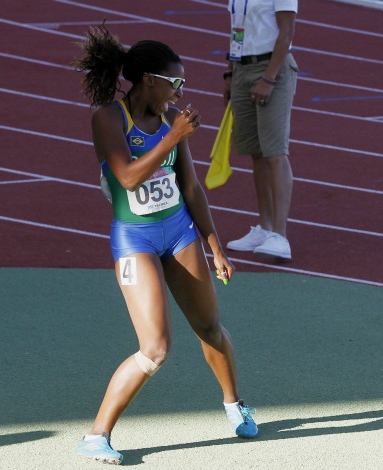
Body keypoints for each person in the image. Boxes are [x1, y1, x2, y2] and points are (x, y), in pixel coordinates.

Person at [73, 24, 258, 465]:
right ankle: (97, 436)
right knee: (155, 348)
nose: (180, 92)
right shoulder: (109, 118)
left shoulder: (174, 120)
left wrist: (215, 247)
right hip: (134, 238)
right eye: (175, 82)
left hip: (178, 233)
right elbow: (129, 176)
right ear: (149, 80)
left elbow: (191, 188)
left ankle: (234, 404)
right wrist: (173, 139)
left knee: (210, 326)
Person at [223, 0, 299, 261]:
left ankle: (280, 234)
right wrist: (230, 74)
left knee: (275, 153)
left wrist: (268, 78)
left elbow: (287, 32)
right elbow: (237, 30)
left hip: (271, 70)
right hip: (242, 70)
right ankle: (265, 227)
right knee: (256, 152)